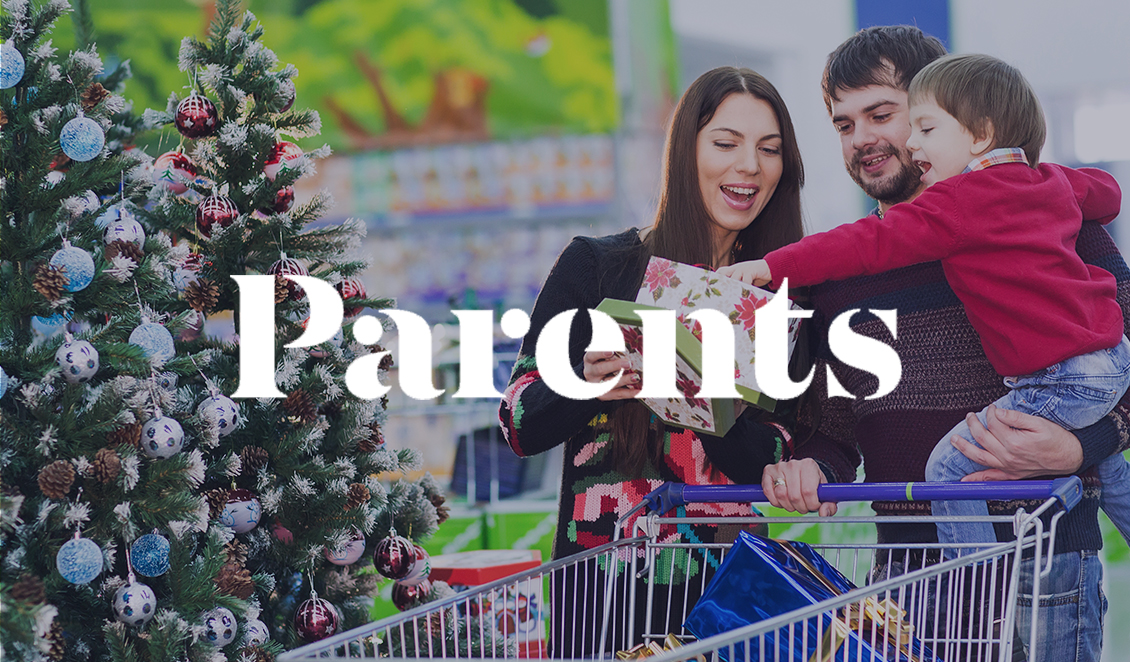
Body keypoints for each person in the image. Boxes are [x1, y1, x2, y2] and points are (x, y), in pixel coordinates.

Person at [753, 26, 1130, 662]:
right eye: (844, 124)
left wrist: (1081, 445)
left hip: (1047, 572)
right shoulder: (843, 274)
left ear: (946, 113)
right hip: (905, 588)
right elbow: (838, 431)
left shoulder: (1056, 227)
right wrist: (810, 468)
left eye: (883, 114)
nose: (862, 139)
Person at [498, 66, 810, 657]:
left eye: (769, 150)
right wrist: (581, 384)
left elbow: (776, 452)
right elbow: (518, 421)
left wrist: (706, 398)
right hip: (602, 593)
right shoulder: (597, 266)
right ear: (684, 152)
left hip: (726, 594)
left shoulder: (778, 301)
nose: (749, 165)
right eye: (725, 143)